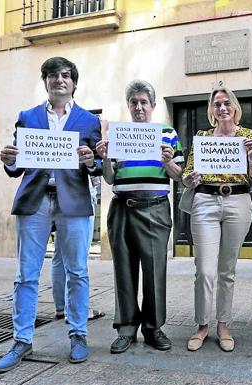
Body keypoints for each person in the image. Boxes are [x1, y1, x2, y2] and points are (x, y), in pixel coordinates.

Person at [0, 57, 101, 373]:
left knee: (78, 271)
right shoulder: (27, 117)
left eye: (66, 75)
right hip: (36, 201)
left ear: (74, 83)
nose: (59, 80)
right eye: (53, 75)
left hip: (74, 201)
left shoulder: (87, 120)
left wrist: (90, 159)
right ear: (45, 81)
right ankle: (22, 341)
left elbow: (96, 163)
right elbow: (17, 165)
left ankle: (79, 335)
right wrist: (9, 159)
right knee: (26, 274)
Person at [95, 80, 183, 354]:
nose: (139, 107)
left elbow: (179, 175)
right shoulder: (118, 135)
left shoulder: (167, 133)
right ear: (129, 106)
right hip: (122, 207)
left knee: (155, 270)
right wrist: (106, 159)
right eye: (134, 102)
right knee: (124, 270)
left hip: (154, 208)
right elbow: (110, 179)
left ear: (153, 106)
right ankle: (126, 329)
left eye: (144, 102)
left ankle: (153, 328)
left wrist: (168, 160)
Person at [182, 87, 252, 352]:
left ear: (235, 107)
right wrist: (189, 179)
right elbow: (187, 174)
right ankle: (202, 325)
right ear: (211, 110)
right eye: (217, 104)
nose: (223, 108)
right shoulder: (202, 138)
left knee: (227, 269)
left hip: (238, 201)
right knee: (205, 269)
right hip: (205, 201)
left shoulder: (249, 136)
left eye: (227, 103)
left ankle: (223, 323)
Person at [52, 176, 105, 322]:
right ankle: (76, 310)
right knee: (78, 257)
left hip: (55, 194)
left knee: (59, 254)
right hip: (78, 195)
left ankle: (61, 307)